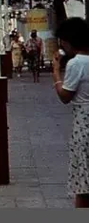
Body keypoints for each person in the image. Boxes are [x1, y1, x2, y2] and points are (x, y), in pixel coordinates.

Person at [51, 17, 89, 208]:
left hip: (84, 125)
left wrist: (56, 72)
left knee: (83, 183)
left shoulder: (76, 64)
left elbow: (65, 96)